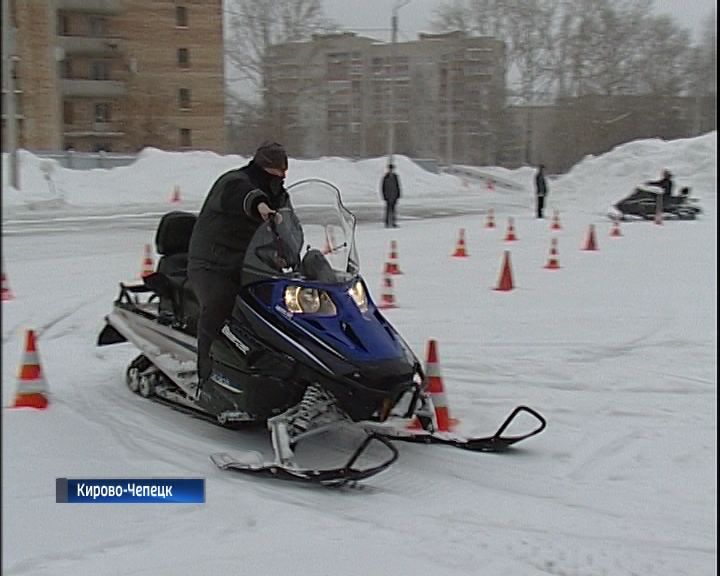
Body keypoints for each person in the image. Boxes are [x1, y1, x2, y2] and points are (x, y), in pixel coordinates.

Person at [187, 141, 289, 395]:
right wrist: (260, 206)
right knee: (220, 303)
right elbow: (244, 196)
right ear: (261, 166)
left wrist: (289, 253)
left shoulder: (279, 193)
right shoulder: (233, 182)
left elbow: (286, 224)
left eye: (282, 172)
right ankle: (206, 376)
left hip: (250, 264)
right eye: (274, 171)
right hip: (212, 263)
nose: (279, 177)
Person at [381, 163, 401, 228]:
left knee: (393, 210)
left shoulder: (395, 177)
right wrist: (384, 196)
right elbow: (383, 187)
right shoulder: (385, 177)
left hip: (394, 196)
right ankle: (387, 223)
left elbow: (398, 186)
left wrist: (398, 194)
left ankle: (393, 222)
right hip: (388, 196)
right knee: (387, 210)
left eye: (392, 169)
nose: (391, 170)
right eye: (390, 169)